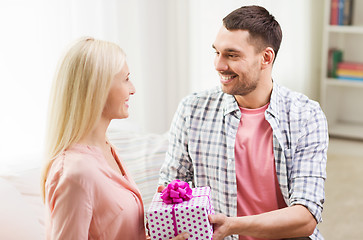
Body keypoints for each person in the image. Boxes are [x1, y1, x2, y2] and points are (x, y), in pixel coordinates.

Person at [159, 5, 328, 240]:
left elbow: (306, 216)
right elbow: (170, 188)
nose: (219, 65)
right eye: (216, 52)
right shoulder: (192, 110)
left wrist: (234, 226)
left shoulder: (306, 116)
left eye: (232, 54)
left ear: (266, 58)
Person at [41, 37, 189, 240]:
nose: (133, 89)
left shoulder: (107, 148)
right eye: (125, 78)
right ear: (97, 87)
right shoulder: (75, 173)